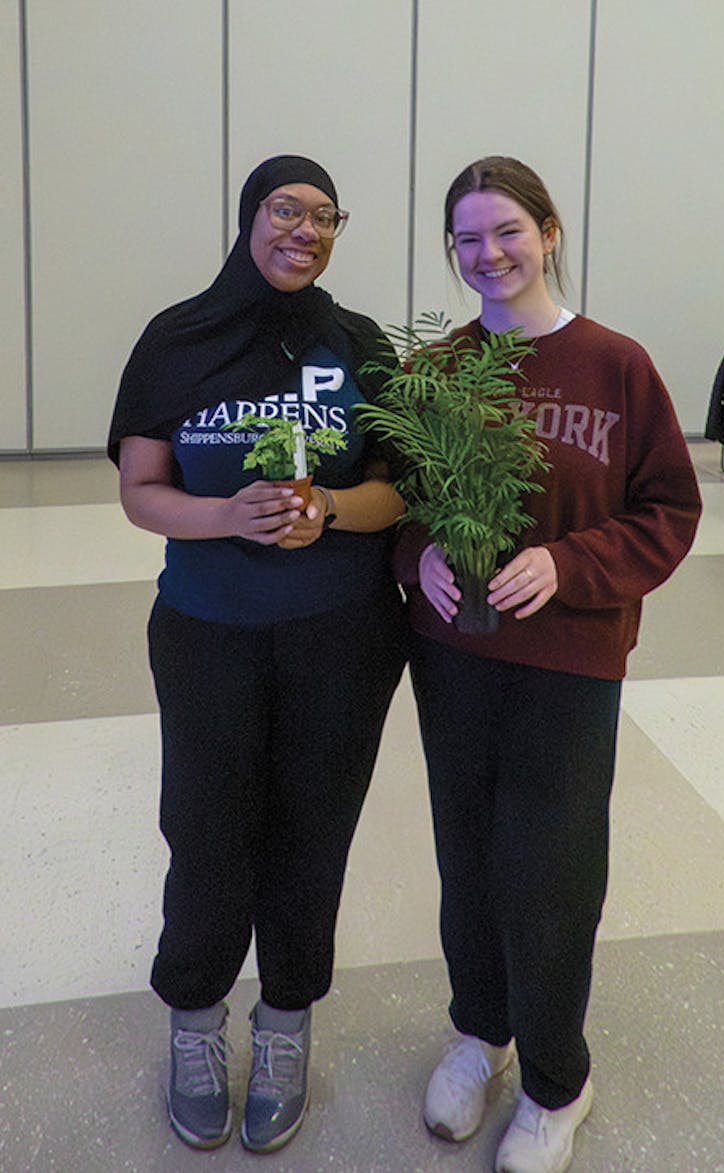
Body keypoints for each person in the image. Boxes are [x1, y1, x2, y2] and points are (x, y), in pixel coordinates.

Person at [393, 157, 702, 1173]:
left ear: (549, 232)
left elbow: (666, 509)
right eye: (466, 239)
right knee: (466, 850)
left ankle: (554, 1078)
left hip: (570, 657)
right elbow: (401, 506)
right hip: (455, 651)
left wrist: (567, 564)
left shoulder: (614, 366)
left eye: (505, 232)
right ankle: (479, 1031)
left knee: (550, 866)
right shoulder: (436, 372)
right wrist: (421, 554)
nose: (486, 255)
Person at [108, 155, 406, 1154]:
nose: (305, 230)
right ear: (248, 218)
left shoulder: (356, 344)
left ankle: (284, 1020)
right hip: (207, 631)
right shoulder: (177, 340)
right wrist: (222, 512)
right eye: (287, 209)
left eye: (325, 217)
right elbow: (142, 488)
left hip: (342, 635)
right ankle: (195, 1021)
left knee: (310, 830)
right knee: (204, 827)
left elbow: (396, 490)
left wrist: (327, 511)